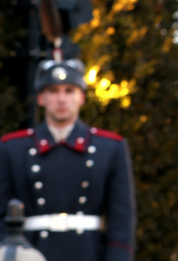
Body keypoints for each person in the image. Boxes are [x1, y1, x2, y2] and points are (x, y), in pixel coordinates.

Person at [0, 58, 135, 260]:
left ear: (81, 97)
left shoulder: (110, 148)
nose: (61, 99)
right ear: (41, 98)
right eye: (53, 91)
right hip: (30, 254)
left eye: (69, 90)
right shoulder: (13, 148)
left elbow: (121, 222)